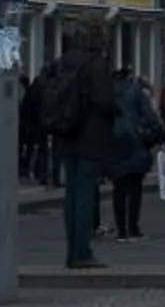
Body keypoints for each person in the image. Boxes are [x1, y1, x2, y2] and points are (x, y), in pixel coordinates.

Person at [35, 28, 118, 270]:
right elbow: (104, 101)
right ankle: (82, 251)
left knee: (71, 194)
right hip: (90, 136)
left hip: (65, 133)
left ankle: (73, 250)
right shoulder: (97, 64)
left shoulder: (62, 62)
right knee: (85, 194)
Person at [107, 71, 161, 242]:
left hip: (113, 143)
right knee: (135, 188)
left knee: (119, 188)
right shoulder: (136, 91)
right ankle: (134, 228)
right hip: (135, 142)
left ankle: (121, 230)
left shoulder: (107, 93)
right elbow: (150, 118)